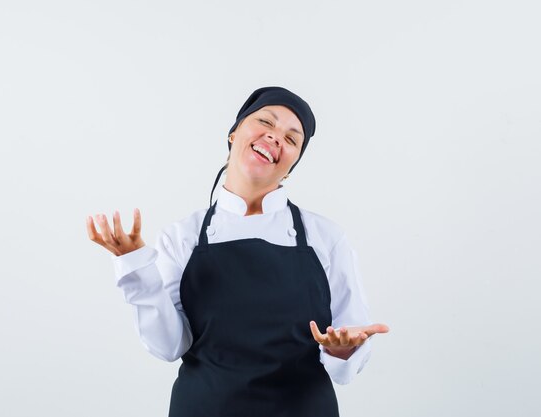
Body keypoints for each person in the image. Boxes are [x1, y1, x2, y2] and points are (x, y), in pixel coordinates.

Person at [86, 86, 389, 416]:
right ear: (234, 133)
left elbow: (347, 353)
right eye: (266, 122)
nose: (275, 138)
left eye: (291, 139)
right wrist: (136, 267)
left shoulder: (327, 238)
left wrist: (343, 350)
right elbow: (169, 346)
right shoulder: (182, 237)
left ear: (290, 167)